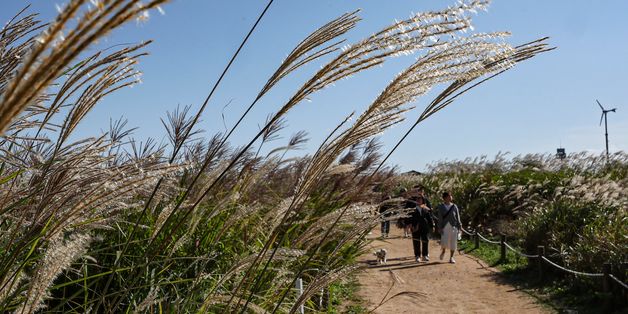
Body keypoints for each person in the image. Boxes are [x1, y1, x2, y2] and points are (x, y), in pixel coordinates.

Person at [437, 191, 462, 264]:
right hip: (445, 226)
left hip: (454, 226)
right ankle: (443, 251)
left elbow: (458, 217)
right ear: (445, 198)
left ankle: (451, 257)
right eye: (449, 196)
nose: (451, 197)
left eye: (451, 196)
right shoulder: (441, 206)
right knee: (444, 241)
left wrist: (460, 226)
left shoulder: (454, 206)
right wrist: (440, 227)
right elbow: (440, 218)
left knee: (453, 242)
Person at [409, 196, 434, 262]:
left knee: (425, 241)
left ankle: (424, 255)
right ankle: (417, 256)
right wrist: (410, 225)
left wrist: (432, 226)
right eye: (417, 199)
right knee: (416, 241)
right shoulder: (412, 208)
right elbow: (409, 218)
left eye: (420, 199)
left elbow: (429, 217)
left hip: (424, 227)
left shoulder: (425, 208)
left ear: (423, 200)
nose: (418, 200)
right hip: (415, 227)